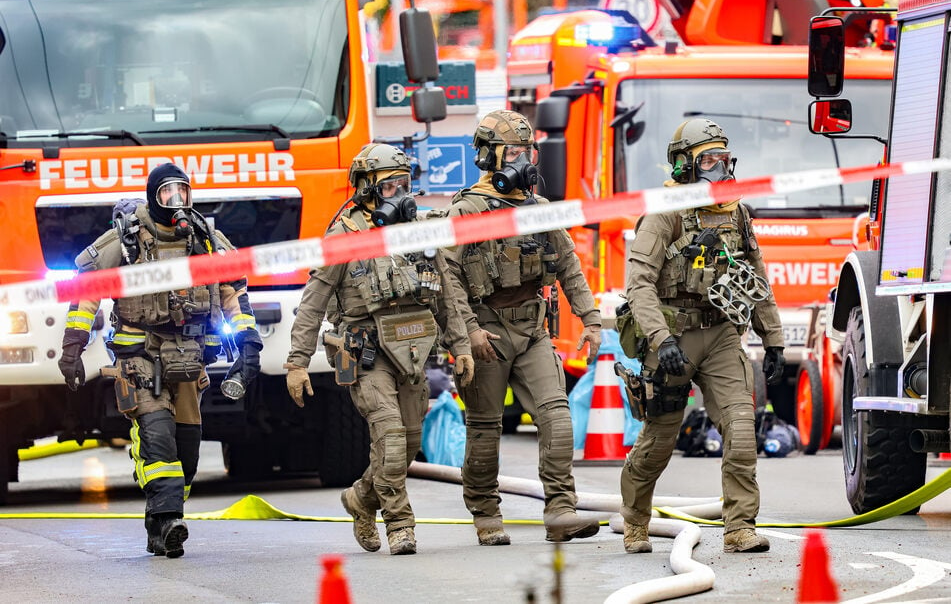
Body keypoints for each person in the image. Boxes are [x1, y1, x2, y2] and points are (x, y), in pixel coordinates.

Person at [58, 162, 261, 558]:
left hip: (189, 360)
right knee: (157, 435)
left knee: (186, 450)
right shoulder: (127, 239)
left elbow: (233, 293)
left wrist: (248, 344)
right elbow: (86, 291)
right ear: (153, 195)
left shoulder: (205, 238)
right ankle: (170, 521)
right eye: (167, 193)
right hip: (140, 359)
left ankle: (161, 519)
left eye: (182, 192)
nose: (176, 201)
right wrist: (73, 348)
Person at [284, 142, 475, 556]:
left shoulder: (418, 233)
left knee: (405, 445)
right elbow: (313, 301)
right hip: (366, 354)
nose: (401, 194)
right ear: (366, 189)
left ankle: (360, 499)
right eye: (390, 187)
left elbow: (447, 298)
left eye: (405, 184)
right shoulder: (344, 236)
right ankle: (400, 524)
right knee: (388, 434)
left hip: (411, 352)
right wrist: (297, 363)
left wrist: (461, 346)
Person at [618, 118, 785, 554]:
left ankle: (739, 528)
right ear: (684, 166)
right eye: (708, 158)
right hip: (673, 339)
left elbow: (755, 277)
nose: (719, 166)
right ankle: (635, 522)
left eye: (723, 157)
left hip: (721, 334)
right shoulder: (664, 213)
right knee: (659, 440)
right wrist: (661, 340)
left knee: (742, 429)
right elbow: (638, 284)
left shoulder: (737, 213)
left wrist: (774, 338)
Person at [444, 110, 603, 546]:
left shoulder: (539, 209)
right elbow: (448, 279)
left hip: (532, 329)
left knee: (556, 415)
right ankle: (485, 511)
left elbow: (569, 265)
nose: (522, 161)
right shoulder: (467, 209)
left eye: (526, 152)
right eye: (512, 152)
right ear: (489, 157)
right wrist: (468, 333)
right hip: (487, 332)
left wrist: (589, 319)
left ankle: (561, 510)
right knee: (484, 428)